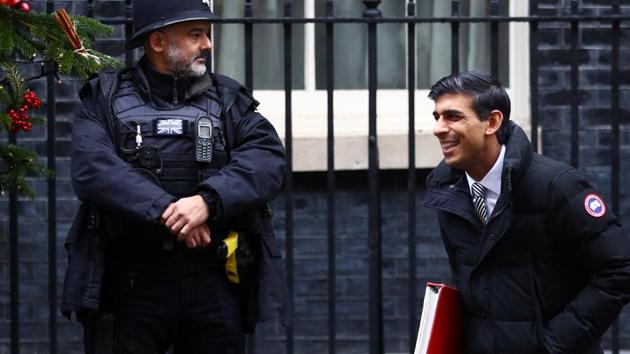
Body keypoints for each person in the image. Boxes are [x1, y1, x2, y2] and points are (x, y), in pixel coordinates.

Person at [61, 0, 287, 353]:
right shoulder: (104, 99)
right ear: (158, 42)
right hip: (132, 288)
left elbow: (267, 160)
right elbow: (92, 170)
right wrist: (172, 211)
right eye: (195, 35)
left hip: (211, 283)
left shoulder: (229, 99)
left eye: (207, 35)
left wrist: (206, 201)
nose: (208, 45)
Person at [423, 71, 630, 354]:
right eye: (437, 117)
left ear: (492, 122)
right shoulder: (448, 191)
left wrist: (554, 344)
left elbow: (619, 269)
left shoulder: (557, 185)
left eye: (453, 117)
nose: (438, 128)